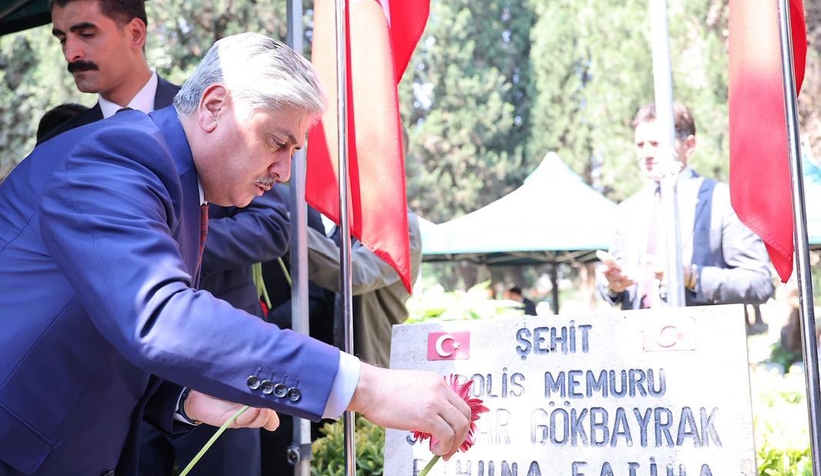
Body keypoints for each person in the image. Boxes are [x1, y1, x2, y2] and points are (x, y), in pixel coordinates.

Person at [0, 32, 471, 476]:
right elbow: (159, 315)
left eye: (294, 149)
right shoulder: (120, 156)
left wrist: (184, 397)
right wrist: (366, 386)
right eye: (277, 141)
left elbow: (104, 318)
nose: (285, 171)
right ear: (213, 106)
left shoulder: (170, 172)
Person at [43, 1, 291, 474]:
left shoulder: (217, 109)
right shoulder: (61, 143)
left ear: (135, 31)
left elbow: (273, 225)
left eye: (85, 33)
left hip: (220, 374)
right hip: (112, 396)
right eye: (61, 38)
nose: (71, 51)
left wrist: (155, 247)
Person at [596, 102, 775, 309]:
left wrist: (692, 276)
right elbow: (607, 284)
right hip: (636, 337)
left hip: (697, 338)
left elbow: (759, 282)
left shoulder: (723, 201)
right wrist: (612, 285)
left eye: (655, 144)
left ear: (689, 146)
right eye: (640, 145)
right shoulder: (628, 210)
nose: (645, 154)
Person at [305, 211, 423, 368]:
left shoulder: (399, 223)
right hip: (330, 364)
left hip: (372, 367)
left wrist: (293, 230)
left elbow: (355, 275)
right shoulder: (351, 222)